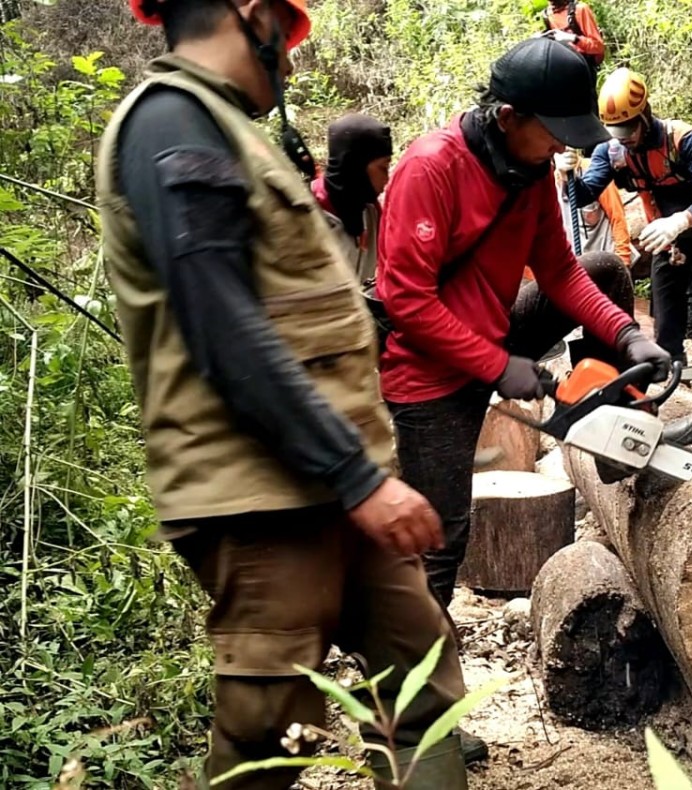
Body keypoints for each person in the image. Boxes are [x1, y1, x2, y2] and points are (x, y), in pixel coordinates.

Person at [95, 0, 467, 786]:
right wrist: (358, 475)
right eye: (286, 40)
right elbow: (221, 325)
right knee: (271, 735)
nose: (291, 64)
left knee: (421, 687)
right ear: (252, 14)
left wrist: (359, 476)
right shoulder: (169, 123)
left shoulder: (229, 134)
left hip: (333, 488)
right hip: (261, 499)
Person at [375, 37, 692, 614]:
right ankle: (413, 680)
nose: (559, 147)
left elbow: (561, 272)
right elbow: (406, 300)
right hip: (430, 369)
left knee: (605, 272)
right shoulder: (432, 167)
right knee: (442, 539)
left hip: (494, 331)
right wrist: (498, 367)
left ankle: (616, 436)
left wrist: (628, 335)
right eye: (552, 132)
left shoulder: (533, 171)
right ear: (507, 117)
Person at [559, 67, 692, 417]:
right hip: (663, 238)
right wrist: (566, 171)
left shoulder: (682, 139)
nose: (624, 137)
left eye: (629, 128)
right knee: (666, 319)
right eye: (617, 130)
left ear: (645, 114)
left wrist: (682, 220)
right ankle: (676, 390)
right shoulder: (611, 151)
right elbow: (584, 194)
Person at [311, 112, 393, 283]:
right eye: (383, 168)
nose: (387, 178)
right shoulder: (308, 216)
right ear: (355, 166)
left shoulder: (371, 212)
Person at [553, 155, 632, 266]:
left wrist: (623, 259)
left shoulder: (595, 170)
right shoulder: (551, 182)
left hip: (606, 260)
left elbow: (617, 216)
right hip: (577, 265)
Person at [540, 0, 604, 78]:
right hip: (562, 69)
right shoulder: (548, 15)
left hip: (584, 69)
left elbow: (598, 46)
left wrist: (573, 38)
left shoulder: (580, 10)